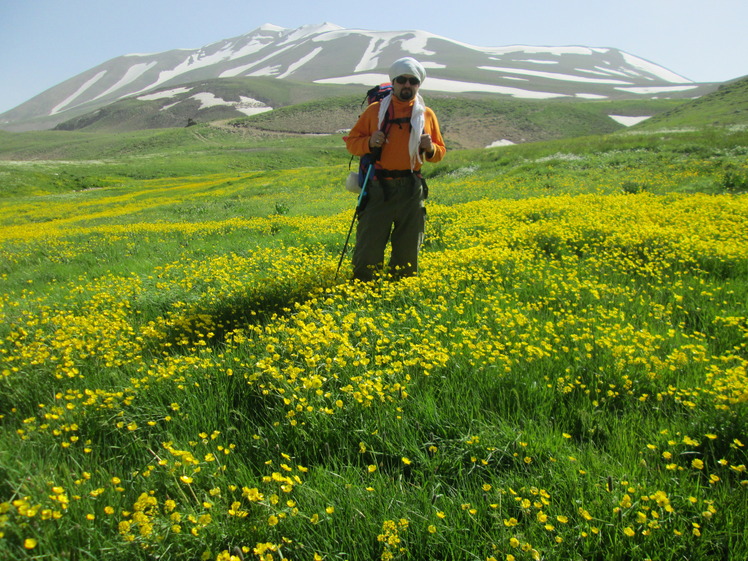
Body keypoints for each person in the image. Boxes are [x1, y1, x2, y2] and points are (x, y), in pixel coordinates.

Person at [344, 57, 446, 282]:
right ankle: (363, 288)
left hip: (412, 187)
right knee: (369, 246)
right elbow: (352, 142)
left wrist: (430, 148)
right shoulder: (375, 111)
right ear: (394, 82)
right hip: (378, 188)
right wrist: (370, 141)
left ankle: (400, 290)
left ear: (418, 85)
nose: (407, 85)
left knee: (409, 246)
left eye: (413, 81)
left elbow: (439, 153)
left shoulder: (426, 114)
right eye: (402, 80)